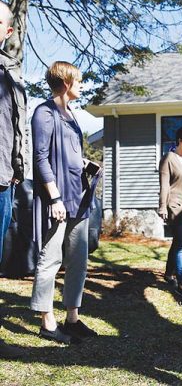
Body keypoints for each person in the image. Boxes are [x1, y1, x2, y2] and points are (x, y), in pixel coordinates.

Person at [31, 61, 100, 344]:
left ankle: (72, 318)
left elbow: (67, 152)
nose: (81, 86)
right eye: (78, 81)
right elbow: (40, 158)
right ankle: (47, 322)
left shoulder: (70, 114)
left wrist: (84, 163)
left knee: (78, 260)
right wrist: (54, 197)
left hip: (78, 197)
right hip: (57, 199)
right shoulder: (44, 113)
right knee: (51, 259)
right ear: (66, 82)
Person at [0, 0, 28, 358]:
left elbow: (18, 128)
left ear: (7, 32)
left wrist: (19, 170)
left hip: (4, 180)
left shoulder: (12, 71)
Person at [158, 124, 182, 298]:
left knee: (179, 242)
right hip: (176, 206)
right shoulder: (169, 158)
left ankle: (169, 274)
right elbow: (164, 185)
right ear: (180, 141)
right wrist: (162, 206)